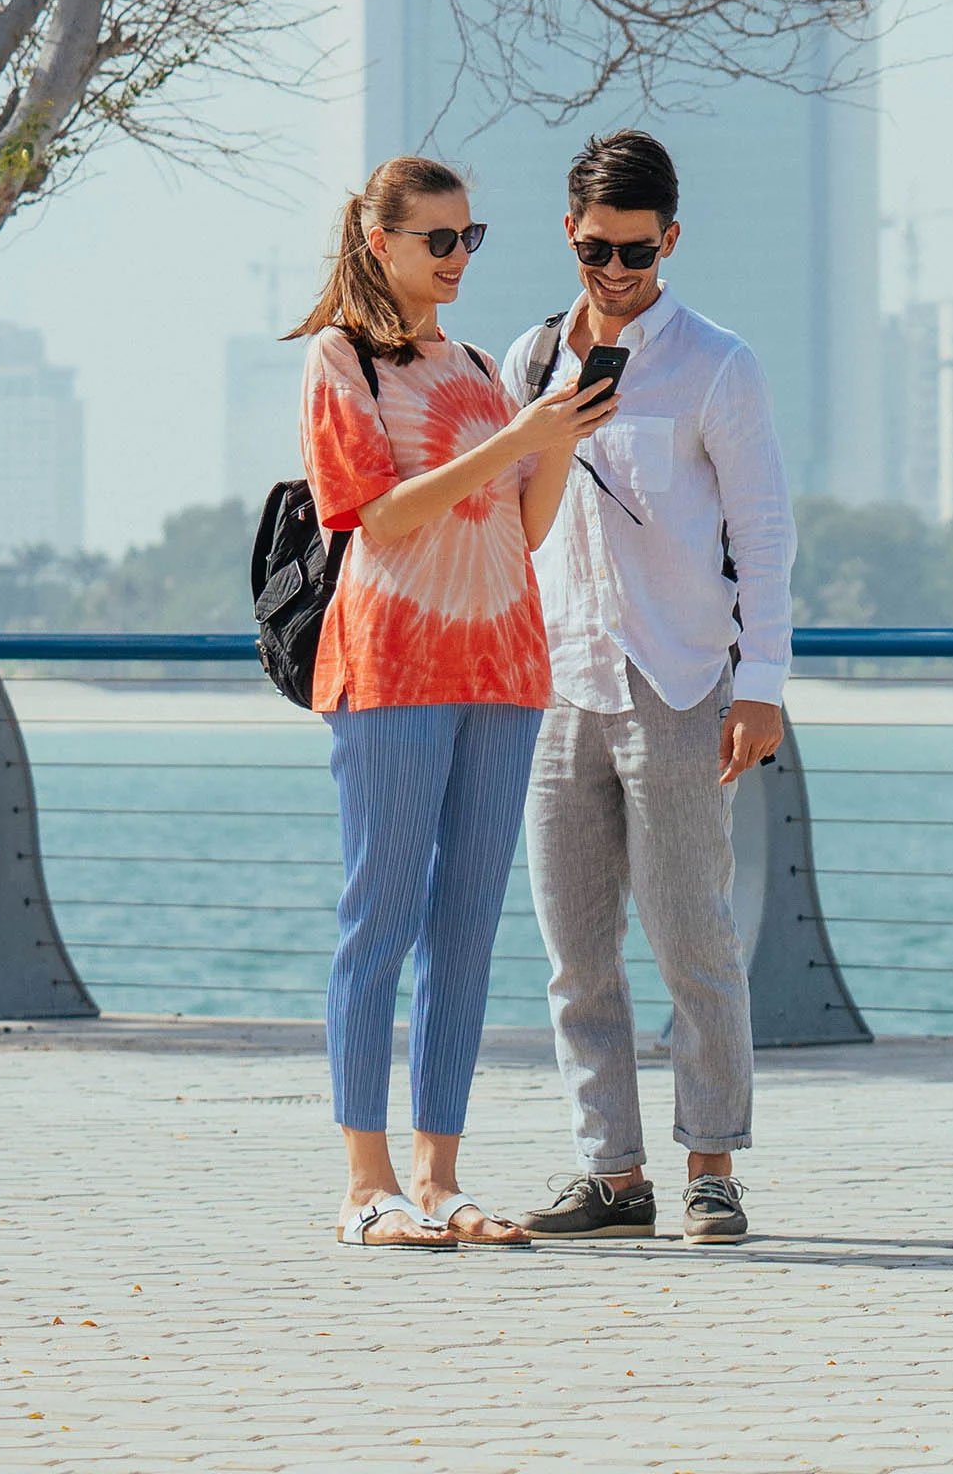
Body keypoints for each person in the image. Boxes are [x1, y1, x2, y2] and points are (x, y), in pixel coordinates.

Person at [292, 155, 618, 1249]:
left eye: (470, 237)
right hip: (392, 661)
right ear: (379, 241)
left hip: (506, 662)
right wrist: (519, 437)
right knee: (377, 916)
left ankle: (440, 1177)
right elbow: (373, 518)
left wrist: (559, 434)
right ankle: (363, 1183)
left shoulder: (482, 363)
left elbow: (523, 528)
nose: (457, 256)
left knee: (469, 926)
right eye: (439, 238)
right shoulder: (343, 361)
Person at [505, 129, 796, 1246]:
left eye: (635, 249)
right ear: (569, 238)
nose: (615, 271)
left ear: (671, 239)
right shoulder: (528, 360)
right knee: (575, 952)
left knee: (691, 937)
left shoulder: (718, 363)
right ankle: (609, 1170)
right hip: (555, 682)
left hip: (679, 679)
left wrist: (758, 684)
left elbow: (764, 534)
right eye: (594, 250)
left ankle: (710, 1166)